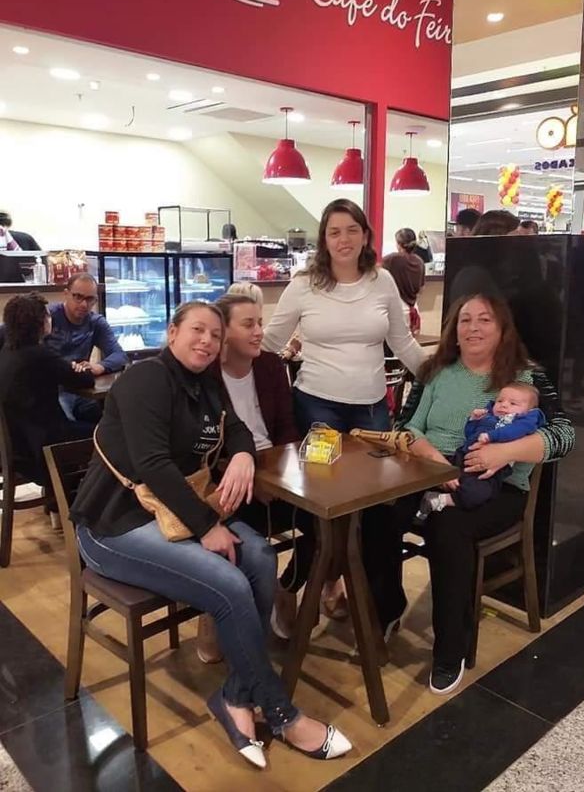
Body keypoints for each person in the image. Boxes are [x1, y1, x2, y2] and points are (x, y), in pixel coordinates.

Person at [70, 300, 351, 768]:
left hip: (171, 514)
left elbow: (236, 430)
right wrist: (207, 528)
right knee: (229, 583)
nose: (207, 341)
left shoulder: (205, 383)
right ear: (172, 332)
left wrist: (242, 455)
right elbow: (152, 464)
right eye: (197, 330)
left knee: (260, 556)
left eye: (215, 335)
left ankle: (235, 697)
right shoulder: (145, 379)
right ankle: (282, 714)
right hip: (112, 526)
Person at [389, 294, 574, 695]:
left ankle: (450, 648)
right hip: (426, 473)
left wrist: (504, 452)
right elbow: (403, 425)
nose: (473, 327)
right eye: (465, 320)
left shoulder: (526, 377)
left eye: (485, 319)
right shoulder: (436, 371)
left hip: (498, 486)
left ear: (503, 328)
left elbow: (564, 435)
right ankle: (386, 606)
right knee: (375, 512)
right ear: (454, 330)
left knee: (447, 526)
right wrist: (431, 457)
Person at [262, 198, 427, 627]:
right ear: (324, 239)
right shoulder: (304, 285)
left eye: (352, 230)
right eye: (334, 232)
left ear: (366, 235)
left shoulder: (382, 280)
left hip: (372, 414)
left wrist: (441, 374)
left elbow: (402, 342)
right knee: (323, 510)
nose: (344, 239)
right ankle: (296, 586)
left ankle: (362, 597)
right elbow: (270, 342)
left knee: (374, 510)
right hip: (316, 410)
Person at [213, 293, 314, 639]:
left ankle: (289, 585)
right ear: (224, 333)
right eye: (248, 324)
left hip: (275, 469)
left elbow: (287, 428)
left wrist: (283, 475)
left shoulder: (270, 365)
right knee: (248, 543)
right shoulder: (207, 374)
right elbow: (207, 448)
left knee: (334, 526)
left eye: (260, 323)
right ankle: (215, 613)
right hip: (228, 480)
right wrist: (252, 478)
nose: (259, 332)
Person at [0, 293, 95, 510]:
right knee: (107, 433)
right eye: (47, 316)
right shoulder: (39, 356)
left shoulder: (6, 352)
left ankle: (60, 508)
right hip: (41, 450)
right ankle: (81, 510)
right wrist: (78, 368)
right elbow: (85, 379)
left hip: (17, 445)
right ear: (40, 323)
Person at [416, 382, 545, 518]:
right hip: (462, 455)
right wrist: (473, 420)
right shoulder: (489, 416)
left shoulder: (522, 422)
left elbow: (513, 432)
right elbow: (470, 434)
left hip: (486, 471)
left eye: (513, 403)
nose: (504, 405)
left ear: (529, 411)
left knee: (478, 493)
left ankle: (439, 500)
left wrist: (491, 436)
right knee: (426, 476)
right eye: (500, 401)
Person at [47, 273, 128, 423]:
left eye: (90, 299)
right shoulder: (49, 317)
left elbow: (119, 355)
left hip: (82, 389)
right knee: (66, 424)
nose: (84, 304)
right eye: (78, 297)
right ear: (66, 294)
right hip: (53, 391)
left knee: (109, 422)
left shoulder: (95, 322)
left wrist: (99, 367)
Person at [382, 228, 425, 335]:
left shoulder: (392, 259)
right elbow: (421, 289)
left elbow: (373, 270)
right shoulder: (420, 261)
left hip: (397, 311)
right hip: (414, 310)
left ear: (399, 244)